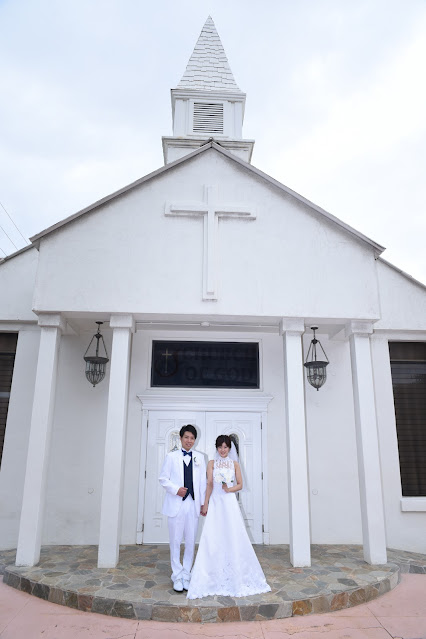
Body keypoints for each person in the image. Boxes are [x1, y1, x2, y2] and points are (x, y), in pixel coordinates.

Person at [187, 434, 270, 599]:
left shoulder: (235, 464)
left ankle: (237, 574)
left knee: (233, 534)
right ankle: (209, 575)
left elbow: (240, 484)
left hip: (229, 502)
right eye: (220, 447)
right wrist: (205, 503)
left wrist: (228, 489)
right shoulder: (211, 463)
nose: (223, 450)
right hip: (216, 502)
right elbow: (209, 484)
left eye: (225, 447)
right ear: (216, 448)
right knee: (213, 535)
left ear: (229, 448)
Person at [159, 424, 207, 592]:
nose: (189, 440)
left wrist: (203, 503)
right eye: (186, 437)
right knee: (175, 541)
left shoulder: (200, 457)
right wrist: (175, 489)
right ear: (181, 439)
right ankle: (177, 575)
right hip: (176, 504)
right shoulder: (171, 457)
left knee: (190, 542)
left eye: (192, 438)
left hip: (193, 505)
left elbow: (202, 482)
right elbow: (163, 479)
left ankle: (187, 574)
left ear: (195, 440)